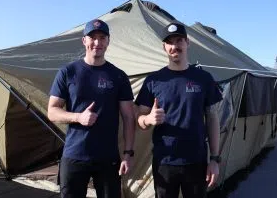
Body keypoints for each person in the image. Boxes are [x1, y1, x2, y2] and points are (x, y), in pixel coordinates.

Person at [47, 19, 135, 198]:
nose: (97, 42)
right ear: (84, 41)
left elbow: (128, 117)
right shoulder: (68, 72)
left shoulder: (118, 76)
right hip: (74, 155)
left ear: (108, 41)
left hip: (108, 158)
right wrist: (78, 117)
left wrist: (128, 153)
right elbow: (52, 111)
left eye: (102, 37)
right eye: (92, 37)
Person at [135, 21, 223, 198]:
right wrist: (148, 119)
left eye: (179, 40)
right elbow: (139, 119)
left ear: (187, 42)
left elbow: (213, 118)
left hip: (196, 162)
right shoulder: (154, 81)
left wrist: (214, 159)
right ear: (164, 47)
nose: (175, 46)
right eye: (170, 42)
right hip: (164, 162)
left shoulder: (203, 78)